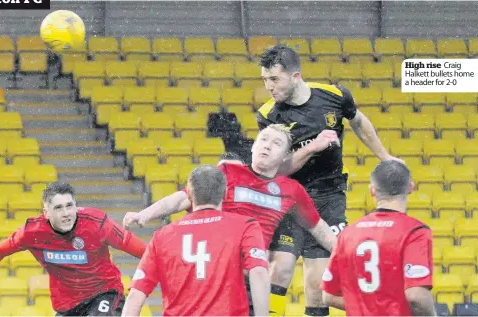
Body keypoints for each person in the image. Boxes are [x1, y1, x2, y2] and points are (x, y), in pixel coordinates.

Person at [123, 123, 339, 315]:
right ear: (253, 147)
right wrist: (145, 214)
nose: (266, 145)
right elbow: (183, 198)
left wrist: (346, 252)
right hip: (216, 272)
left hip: (250, 279)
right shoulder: (227, 172)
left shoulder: (292, 190)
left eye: (276, 143)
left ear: (285, 156)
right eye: (263, 140)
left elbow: (318, 229)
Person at [256, 44, 403, 316]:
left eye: (274, 79)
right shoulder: (268, 115)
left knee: (317, 284)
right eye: (265, 80)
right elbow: (276, 170)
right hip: (288, 198)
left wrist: (385, 157)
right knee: (279, 270)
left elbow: (358, 121)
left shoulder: (334, 96)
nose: (269, 86)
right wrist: (312, 148)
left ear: (296, 76)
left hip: (328, 198)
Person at [0, 181, 147, 317]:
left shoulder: (98, 223)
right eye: (59, 208)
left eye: (70, 206)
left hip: (105, 294)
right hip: (67, 306)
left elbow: (146, 253)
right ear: (46, 212)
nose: (67, 213)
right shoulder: (32, 232)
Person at [122, 165, 270, 316]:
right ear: (225, 193)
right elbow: (258, 273)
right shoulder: (245, 226)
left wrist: (144, 215)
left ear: (190, 195)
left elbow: (135, 296)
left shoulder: (162, 236)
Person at [321, 160, 436, 316]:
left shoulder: (348, 234)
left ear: (372, 190)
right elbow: (416, 296)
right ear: (411, 187)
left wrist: (368, 306)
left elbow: (328, 296)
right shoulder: (415, 231)